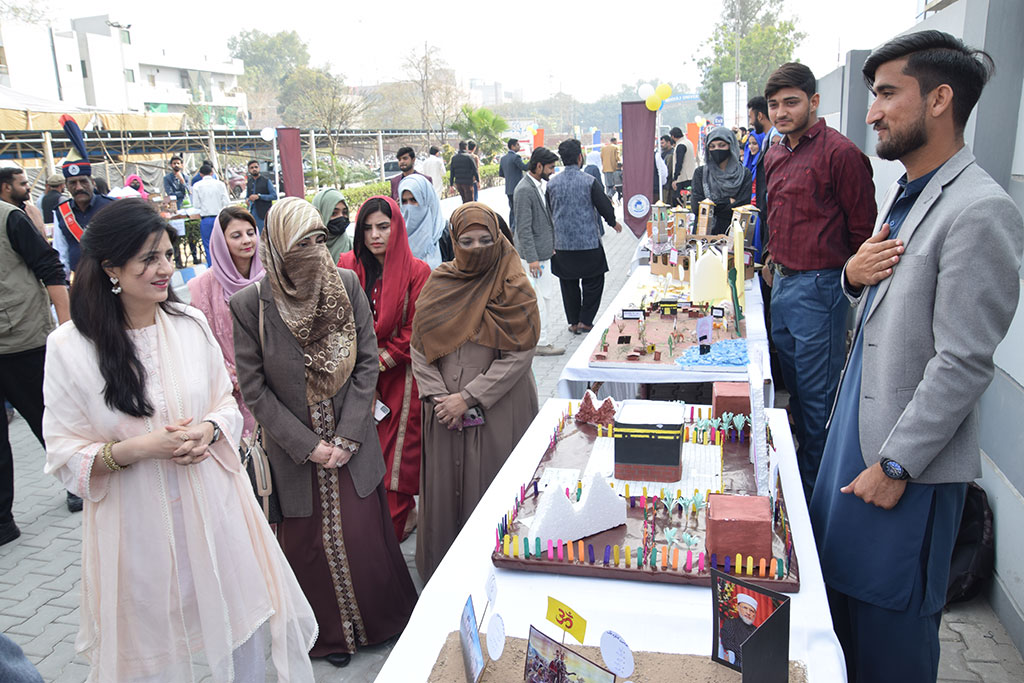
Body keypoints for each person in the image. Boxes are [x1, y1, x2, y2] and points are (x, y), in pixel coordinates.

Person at [809, 31, 1022, 683]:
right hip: (857, 443)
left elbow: (963, 362)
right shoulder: (912, 195)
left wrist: (895, 463)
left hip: (906, 470)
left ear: (940, 100)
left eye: (887, 94)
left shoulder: (980, 210)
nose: (871, 111)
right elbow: (883, 316)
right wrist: (849, 276)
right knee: (839, 630)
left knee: (890, 646)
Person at [42, 199, 317, 680]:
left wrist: (208, 431)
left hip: (215, 502)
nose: (165, 268)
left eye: (168, 255)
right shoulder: (69, 348)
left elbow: (227, 406)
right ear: (111, 267)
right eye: (149, 258)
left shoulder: (190, 324)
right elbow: (63, 452)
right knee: (150, 640)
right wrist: (140, 449)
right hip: (135, 519)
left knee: (243, 616)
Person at [231, 197, 418, 668]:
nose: (315, 251)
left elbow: (367, 362)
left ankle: (378, 624)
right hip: (296, 452)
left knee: (364, 537)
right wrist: (308, 446)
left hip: (351, 444)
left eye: (320, 239)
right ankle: (329, 636)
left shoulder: (347, 283)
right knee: (309, 545)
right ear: (277, 246)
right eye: (302, 243)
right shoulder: (250, 305)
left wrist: (348, 437)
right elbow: (254, 389)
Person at [762, 62, 876, 497]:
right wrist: (773, 258)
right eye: (774, 104)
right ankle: (801, 485)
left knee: (817, 404)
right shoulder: (776, 152)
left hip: (822, 288)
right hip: (783, 286)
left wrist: (847, 289)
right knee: (792, 391)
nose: (781, 112)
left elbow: (863, 232)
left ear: (814, 101)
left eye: (791, 102)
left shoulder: (840, 153)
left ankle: (818, 507)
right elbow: (777, 214)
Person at [410, 202, 540, 581]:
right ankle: (444, 575)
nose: (477, 247)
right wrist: (439, 398)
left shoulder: (514, 285)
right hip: (442, 411)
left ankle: (498, 573)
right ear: (453, 241)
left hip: (498, 405)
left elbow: (521, 354)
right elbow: (419, 349)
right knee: (445, 493)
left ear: (500, 238)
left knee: (493, 490)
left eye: (486, 239)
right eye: (467, 240)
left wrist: (468, 398)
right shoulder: (440, 282)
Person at [339, 196, 430, 543]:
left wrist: (377, 364)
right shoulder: (346, 266)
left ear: (397, 228)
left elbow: (414, 330)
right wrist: (360, 367)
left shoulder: (417, 271)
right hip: (351, 377)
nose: (375, 235)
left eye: (383, 227)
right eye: (367, 228)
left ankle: (386, 540)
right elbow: (334, 320)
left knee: (396, 462)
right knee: (357, 456)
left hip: (400, 378)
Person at [0, 167, 75, 543]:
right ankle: (2, 521)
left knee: (45, 418)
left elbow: (49, 267)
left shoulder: (10, 219)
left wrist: (66, 327)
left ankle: (77, 479)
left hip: (22, 339)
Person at [186, 206, 265, 440]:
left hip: (274, 384)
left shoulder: (271, 277)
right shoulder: (202, 286)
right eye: (236, 235)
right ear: (221, 242)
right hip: (229, 388)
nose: (247, 241)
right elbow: (199, 341)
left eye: (251, 233)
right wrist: (232, 375)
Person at [546, 138, 623, 335]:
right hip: (588, 242)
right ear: (580, 157)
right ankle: (586, 321)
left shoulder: (552, 184)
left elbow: (548, 211)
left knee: (568, 283)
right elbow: (604, 205)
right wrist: (613, 223)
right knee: (594, 281)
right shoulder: (589, 181)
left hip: (562, 244)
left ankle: (573, 322)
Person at [513, 147, 564, 357]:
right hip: (533, 258)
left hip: (541, 254)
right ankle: (541, 342)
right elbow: (523, 227)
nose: (552, 171)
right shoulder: (525, 189)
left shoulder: (536, 186)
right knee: (540, 299)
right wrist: (533, 258)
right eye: (550, 167)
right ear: (539, 165)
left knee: (546, 296)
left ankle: (542, 339)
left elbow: (541, 222)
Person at [52, 158, 115, 276]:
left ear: (92, 182)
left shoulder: (111, 206)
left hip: (111, 275)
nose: (79, 187)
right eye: (72, 183)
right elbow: (61, 251)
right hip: (81, 277)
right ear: (66, 185)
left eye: (83, 181)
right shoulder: (61, 212)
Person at [689, 127, 753, 235]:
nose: (717, 149)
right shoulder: (701, 173)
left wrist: (711, 205)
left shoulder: (744, 174)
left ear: (731, 146)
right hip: (704, 236)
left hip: (733, 235)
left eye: (722, 145)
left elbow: (742, 207)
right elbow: (697, 208)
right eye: (712, 146)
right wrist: (728, 202)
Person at [398, 173, 447, 269]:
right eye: (404, 201)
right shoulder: (398, 236)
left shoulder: (444, 233)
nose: (409, 206)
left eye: (414, 200)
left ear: (427, 200)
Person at [192, 162, 231, 265]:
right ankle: (226, 267)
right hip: (220, 217)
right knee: (223, 245)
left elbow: (196, 204)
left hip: (206, 219)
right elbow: (227, 202)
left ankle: (212, 269)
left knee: (208, 246)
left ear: (200, 174)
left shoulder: (197, 186)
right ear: (212, 172)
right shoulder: (220, 184)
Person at [312, 189, 353, 263]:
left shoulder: (356, 246)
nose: (341, 217)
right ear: (320, 214)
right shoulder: (308, 251)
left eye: (344, 212)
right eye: (334, 213)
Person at [719, 593, 758, 667]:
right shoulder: (730, 623)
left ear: (755, 615)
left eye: (752, 611)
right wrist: (745, 657)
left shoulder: (756, 631)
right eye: (745, 608)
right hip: (738, 662)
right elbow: (728, 642)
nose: (748, 613)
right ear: (738, 608)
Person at [499, 138, 528, 232]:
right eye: (518, 145)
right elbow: (525, 167)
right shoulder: (516, 157)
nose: (519, 147)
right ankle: (515, 229)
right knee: (518, 210)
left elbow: (501, 174)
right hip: (517, 188)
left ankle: (511, 228)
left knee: (512, 209)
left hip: (508, 189)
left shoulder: (503, 159)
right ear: (513, 146)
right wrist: (533, 160)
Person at [246, 159, 278, 230]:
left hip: (264, 214)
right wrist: (247, 200)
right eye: (252, 168)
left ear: (259, 168)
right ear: (248, 170)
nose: (254, 169)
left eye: (256, 167)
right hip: (252, 213)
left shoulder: (266, 181)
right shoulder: (249, 182)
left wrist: (259, 196)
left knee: (264, 234)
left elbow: (274, 196)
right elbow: (247, 196)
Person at [669, 126, 696, 203]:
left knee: (679, 201)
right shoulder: (689, 142)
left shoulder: (680, 145)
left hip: (683, 177)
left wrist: (675, 178)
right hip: (691, 176)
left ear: (673, 136)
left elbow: (679, 163)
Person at [658, 135, 676, 203]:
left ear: (668, 143)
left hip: (668, 186)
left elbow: (668, 171)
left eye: (663, 143)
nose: (661, 145)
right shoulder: (662, 154)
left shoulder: (671, 154)